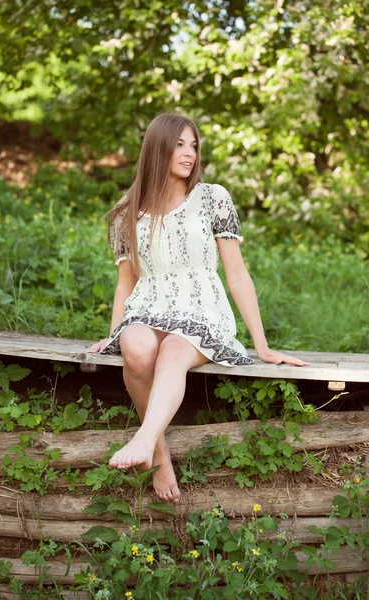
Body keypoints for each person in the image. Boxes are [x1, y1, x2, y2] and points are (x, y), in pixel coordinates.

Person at [89, 111, 308, 503]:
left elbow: (237, 274)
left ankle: (145, 444)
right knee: (136, 348)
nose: (189, 153)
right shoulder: (127, 211)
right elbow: (126, 283)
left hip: (201, 311)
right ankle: (159, 453)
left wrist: (262, 345)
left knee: (173, 349)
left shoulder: (212, 198)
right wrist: (112, 335)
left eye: (193, 145)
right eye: (179, 145)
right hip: (148, 308)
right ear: (158, 148)